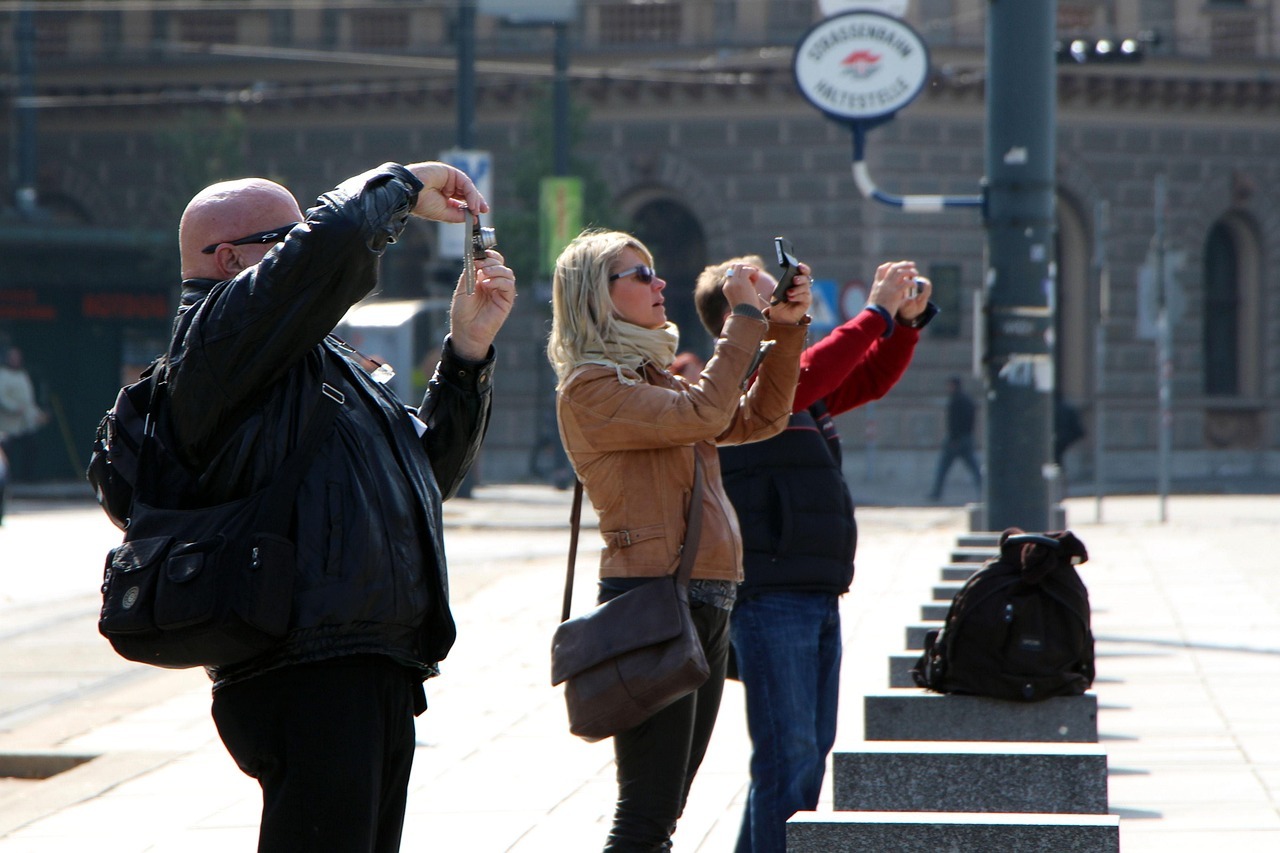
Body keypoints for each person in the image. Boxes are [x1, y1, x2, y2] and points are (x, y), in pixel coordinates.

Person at [167, 161, 515, 853]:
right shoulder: (215, 337)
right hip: (307, 667)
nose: (304, 247)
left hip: (367, 662)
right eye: (287, 238)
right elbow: (329, 248)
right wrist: (401, 183)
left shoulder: (320, 362)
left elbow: (421, 477)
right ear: (229, 259)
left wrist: (468, 352)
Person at [547, 229, 812, 852]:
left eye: (654, 270)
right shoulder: (591, 389)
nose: (659, 283)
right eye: (639, 275)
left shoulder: (650, 377)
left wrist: (787, 329)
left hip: (705, 594)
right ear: (595, 295)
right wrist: (746, 315)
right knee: (645, 815)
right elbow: (705, 414)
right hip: (652, 597)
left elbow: (759, 418)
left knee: (663, 813)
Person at [694, 255, 936, 853]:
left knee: (805, 754)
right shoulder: (736, 387)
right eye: (758, 281)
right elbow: (816, 368)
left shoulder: (792, 382)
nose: (779, 286)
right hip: (770, 592)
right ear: (736, 312)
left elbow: (869, 378)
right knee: (789, 756)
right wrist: (876, 311)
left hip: (815, 588)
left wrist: (904, 323)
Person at [0, 344, 48, 523]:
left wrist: (37, 414)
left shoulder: (23, 375)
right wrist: (14, 408)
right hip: (6, 424)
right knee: (7, 456)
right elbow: (2, 398)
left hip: (24, 423)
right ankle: (10, 484)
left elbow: (29, 400)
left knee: (31, 447)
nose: (15, 360)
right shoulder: (2, 375)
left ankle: (29, 479)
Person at [928, 375, 982, 501]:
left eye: (949, 385)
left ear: (953, 385)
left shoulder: (956, 400)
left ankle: (936, 493)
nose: (947, 388)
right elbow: (970, 421)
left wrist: (954, 439)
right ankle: (984, 491)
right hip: (966, 438)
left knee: (943, 468)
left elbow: (954, 422)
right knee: (974, 468)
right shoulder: (967, 400)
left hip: (955, 440)